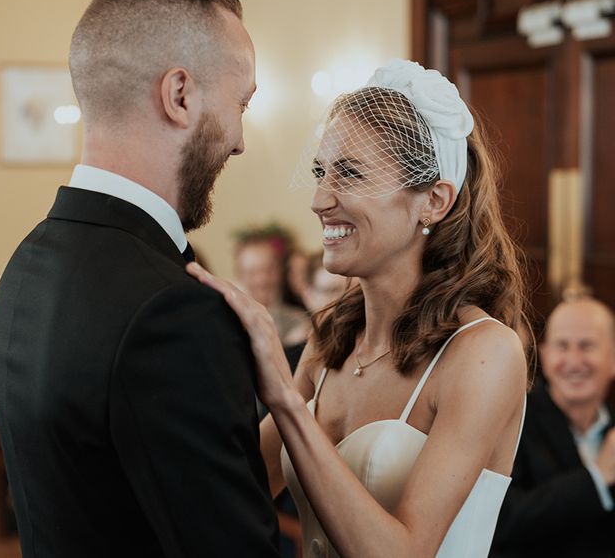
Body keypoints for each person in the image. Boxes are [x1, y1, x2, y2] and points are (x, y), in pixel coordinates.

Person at [0, 0, 281, 557]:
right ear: (179, 95)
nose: (241, 141)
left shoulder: (29, 260)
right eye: (241, 104)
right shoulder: (173, 313)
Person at [189, 58, 533, 558]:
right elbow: (234, 491)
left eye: (349, 174)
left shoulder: (485, 353)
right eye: (320, 171)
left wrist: (285, 399)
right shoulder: (332, 338)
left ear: (433, 201)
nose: (319, 199)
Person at [491, 296, 615, 557]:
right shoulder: (514, 418)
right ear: (545, 356)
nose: (573, 360)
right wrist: (596, 478)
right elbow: (500, 522)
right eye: (562, 346)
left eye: (587, 346)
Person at [234, 230, 310, 342]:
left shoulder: (298, 321)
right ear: (240, 275)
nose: (262, 280)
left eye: (268, 270)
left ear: (279, 271)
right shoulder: (230, 321)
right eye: (252, 272)